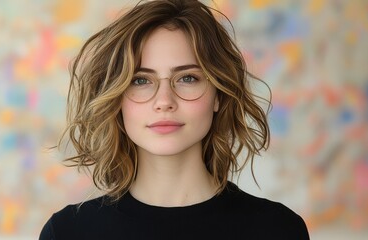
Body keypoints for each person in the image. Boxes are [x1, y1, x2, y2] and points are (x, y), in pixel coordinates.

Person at [39, 0, 309, 239]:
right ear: (117, 98)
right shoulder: (67, 232)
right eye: (141, 80)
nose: (164, 101)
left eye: (187, 78)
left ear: (218, 95)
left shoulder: (278, 230)